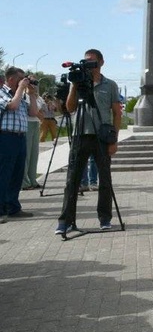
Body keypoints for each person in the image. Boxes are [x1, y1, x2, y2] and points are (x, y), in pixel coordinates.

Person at [56, 50, 122, 234]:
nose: (88, 65)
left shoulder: (110, 85)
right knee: (72, 180)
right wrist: (75, 86)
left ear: (101, 62)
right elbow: (69, 108)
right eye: (86, 62)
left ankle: (105, 218)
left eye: (92, 62)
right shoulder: (78, 81)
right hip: (80, 135)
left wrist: (114, 140)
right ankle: (65, 221)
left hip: (102, 136)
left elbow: (117, 113)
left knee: (105, 180)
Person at [0, 67, 39, 222]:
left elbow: (33, 113)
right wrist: (21, 88)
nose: (24, 81)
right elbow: (12, 106)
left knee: (17, 175)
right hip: (5, 138)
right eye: (21, 78)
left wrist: (32, 94)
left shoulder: (21, 96)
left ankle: (13, 207)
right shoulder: (2, 94)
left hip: (20, 138)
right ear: (10, 79)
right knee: (4, 174)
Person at [21, 89, 43, 190]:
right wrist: (39, 114)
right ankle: (25, 182)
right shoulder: (24, 95)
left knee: (34, 154)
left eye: (35, 83)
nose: (33, 86)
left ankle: (33, 179)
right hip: (28, 124)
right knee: (27, 154)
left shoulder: (38, 97)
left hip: (36, 124)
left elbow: (42, 111)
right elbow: (33, 112)